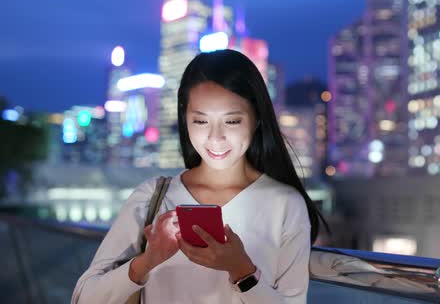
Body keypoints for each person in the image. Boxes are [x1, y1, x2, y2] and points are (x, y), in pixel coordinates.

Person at [71, 49, 327, 303]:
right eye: (201, 122)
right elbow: (84, 298)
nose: (215, 138)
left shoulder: (285, 205)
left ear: (257, 118)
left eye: (232, 121)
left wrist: (243, 272)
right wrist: (147, 261)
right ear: (185, 119)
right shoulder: (152, 198)